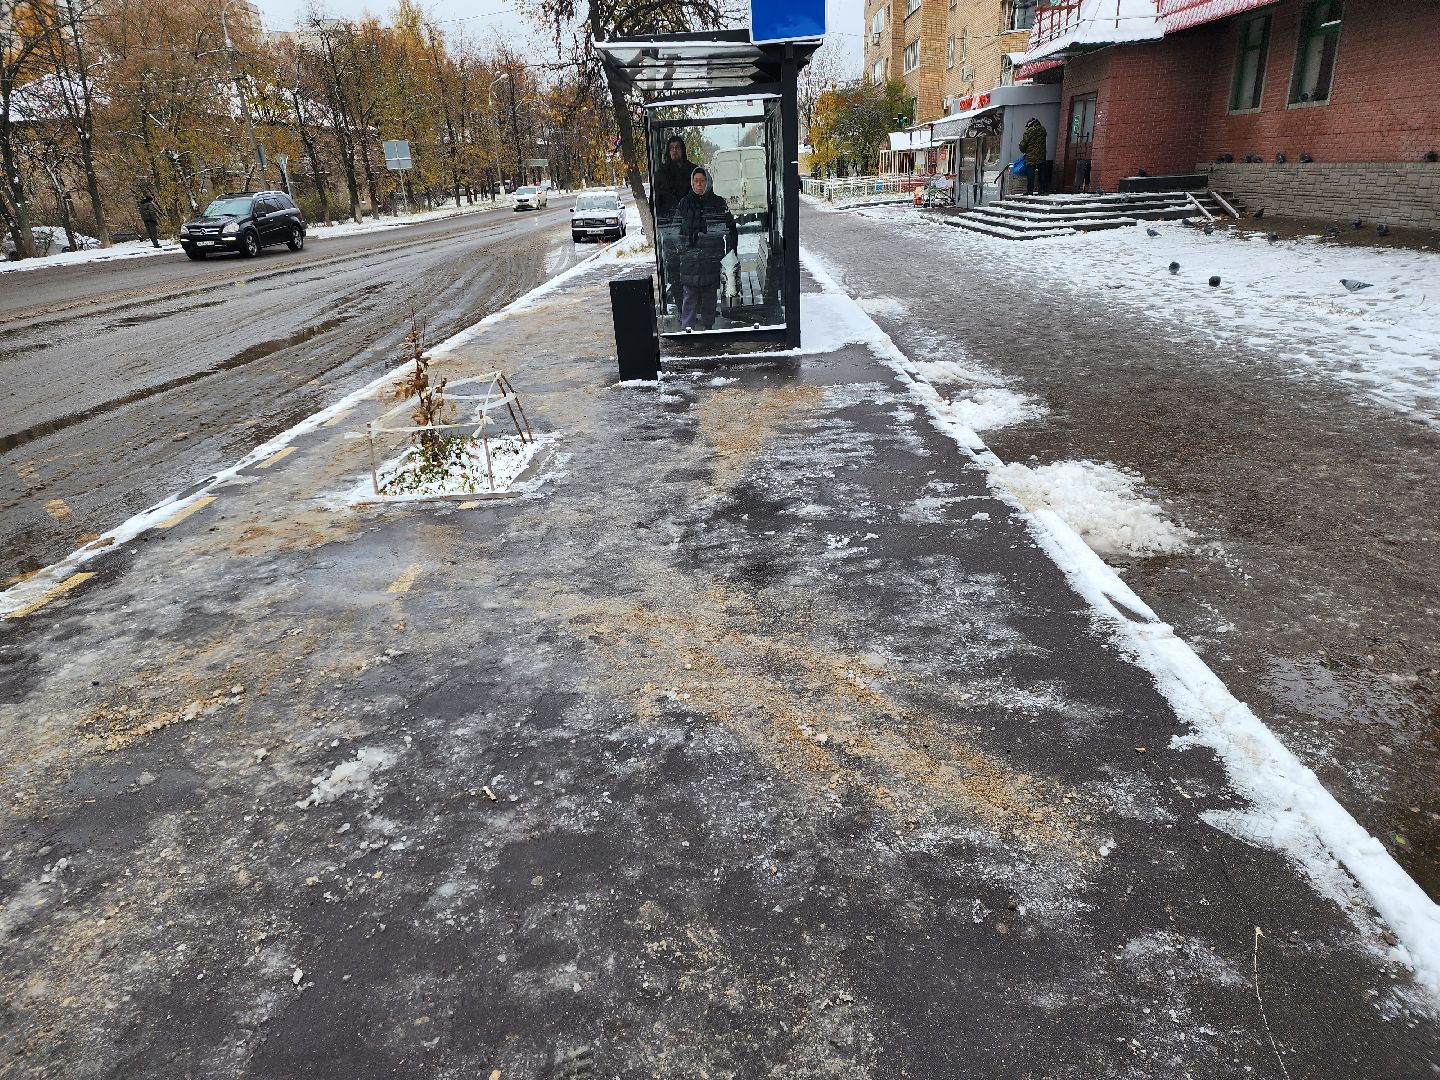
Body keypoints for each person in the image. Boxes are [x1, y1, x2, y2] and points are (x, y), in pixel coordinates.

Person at [673, 166, 737, 332]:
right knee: (689, 296)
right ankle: (687, 327)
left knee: (709, 296)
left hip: (711, 258)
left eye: (702, 181)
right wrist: (682, 249)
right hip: (690, 261)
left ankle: (708, 326)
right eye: (696, 181)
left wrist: (730, 253)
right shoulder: (684, 203)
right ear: (692, 183)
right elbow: (674, 230)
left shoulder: (718, 203)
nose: (699, 184)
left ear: (708, 182)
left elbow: (730, 229)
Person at [653, 135, 695, 222]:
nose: (674, 150)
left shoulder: (692, 171)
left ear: (682, 150)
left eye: (677, 147)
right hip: (667, 222)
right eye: (672, 148)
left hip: (690, 220)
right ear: (668, 151)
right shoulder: (661, 173)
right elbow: (655, 201)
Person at [1020, 118, 1048, 196]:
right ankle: (1043, 189)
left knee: (1030, 175)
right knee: (1042, 173)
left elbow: (1023, 144)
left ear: (1030, 124)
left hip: (1031, 157)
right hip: (1041, 156)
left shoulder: (1029, 131)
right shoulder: (1043, 130)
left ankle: (1030, 191)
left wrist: (1022, 149)